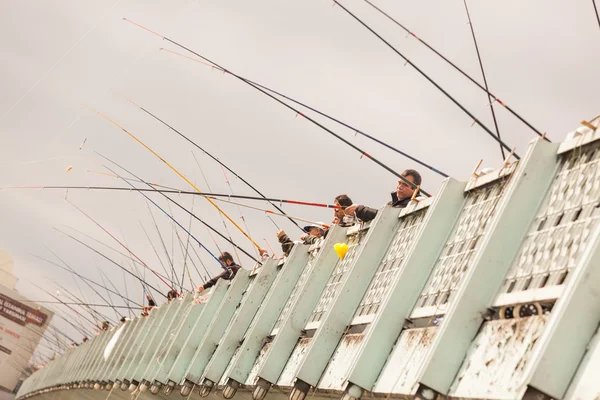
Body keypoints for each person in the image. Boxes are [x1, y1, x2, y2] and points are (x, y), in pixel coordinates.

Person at [344, 169, 422, 222]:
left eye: (405, 185)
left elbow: (387, 217)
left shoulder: (415, 204)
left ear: (415, 190)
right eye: (399, 183)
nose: (399, 187)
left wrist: (360, 210)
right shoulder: (391, 203)